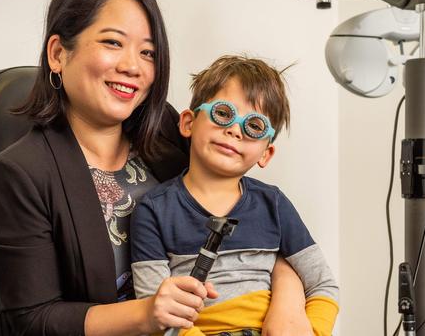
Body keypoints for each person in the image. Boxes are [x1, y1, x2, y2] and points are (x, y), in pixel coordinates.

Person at [0, 0, 310, 336]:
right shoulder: (20, 174)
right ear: (58, 53)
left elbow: (252, 221)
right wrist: (145, 314)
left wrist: (289, 301)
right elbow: (32, 320)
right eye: (112, 43)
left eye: (148, 52)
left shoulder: (167, 131)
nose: (132, 66)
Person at [131, 55, 340, 336]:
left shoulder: (274, 204)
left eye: (254, 126)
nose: (234, 130)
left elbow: (322, 284)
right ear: (188, 123)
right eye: (223, 113)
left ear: (266, 153)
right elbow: (156, 308)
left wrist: (312, 331)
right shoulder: (153, 210)